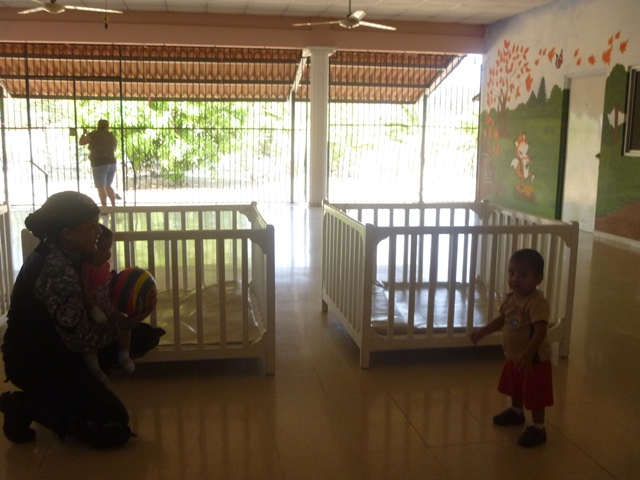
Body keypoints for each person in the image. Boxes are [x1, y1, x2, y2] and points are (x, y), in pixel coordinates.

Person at [0, 191, 164, 448]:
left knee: (144, 336)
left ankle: (80, 388)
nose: (98, 231)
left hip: (59, 346)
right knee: (114, 427)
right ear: (68, 232)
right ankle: (27, 405)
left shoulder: (70, 253)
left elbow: (93, 292)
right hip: (36, 362)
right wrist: (130, 320)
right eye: (91, 226)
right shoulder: (56, 271)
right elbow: (83, 339)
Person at [470, 248, 553, 448]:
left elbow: (540, 331)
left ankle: (538, 427)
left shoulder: (537, 302)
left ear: (538, 279)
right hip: (515, 356)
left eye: (523, 274)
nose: (515, 278)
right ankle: (517, 412)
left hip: (533, 359)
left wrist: (529, 353)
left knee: (535, 394)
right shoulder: (511, 297)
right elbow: (502, 319)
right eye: (511, 272)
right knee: (516, 387)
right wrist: (484, 331)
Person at [80, 224, 135, 385]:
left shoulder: (105, 265)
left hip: (108, 306)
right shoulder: (86, 268)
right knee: (89, 336)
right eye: (102, 249)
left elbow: (109, 284)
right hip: (94, 309)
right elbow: (85, 291)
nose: (107, 253)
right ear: (90, 248)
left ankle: (124, 354)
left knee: (123, 322)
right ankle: (94, 368)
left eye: (109, 249)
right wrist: (92, 309)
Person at [79, 119, 118, 207]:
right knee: (108, 186)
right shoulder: (111, 136)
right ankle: (113, 206)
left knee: (101, 187)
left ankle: (104, 208)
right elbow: (115, 147)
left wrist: (84, 133)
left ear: (98, 126)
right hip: (112, 162)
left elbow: (81, 142)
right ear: (107, 126)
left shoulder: (94, 134)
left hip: (99, 163)